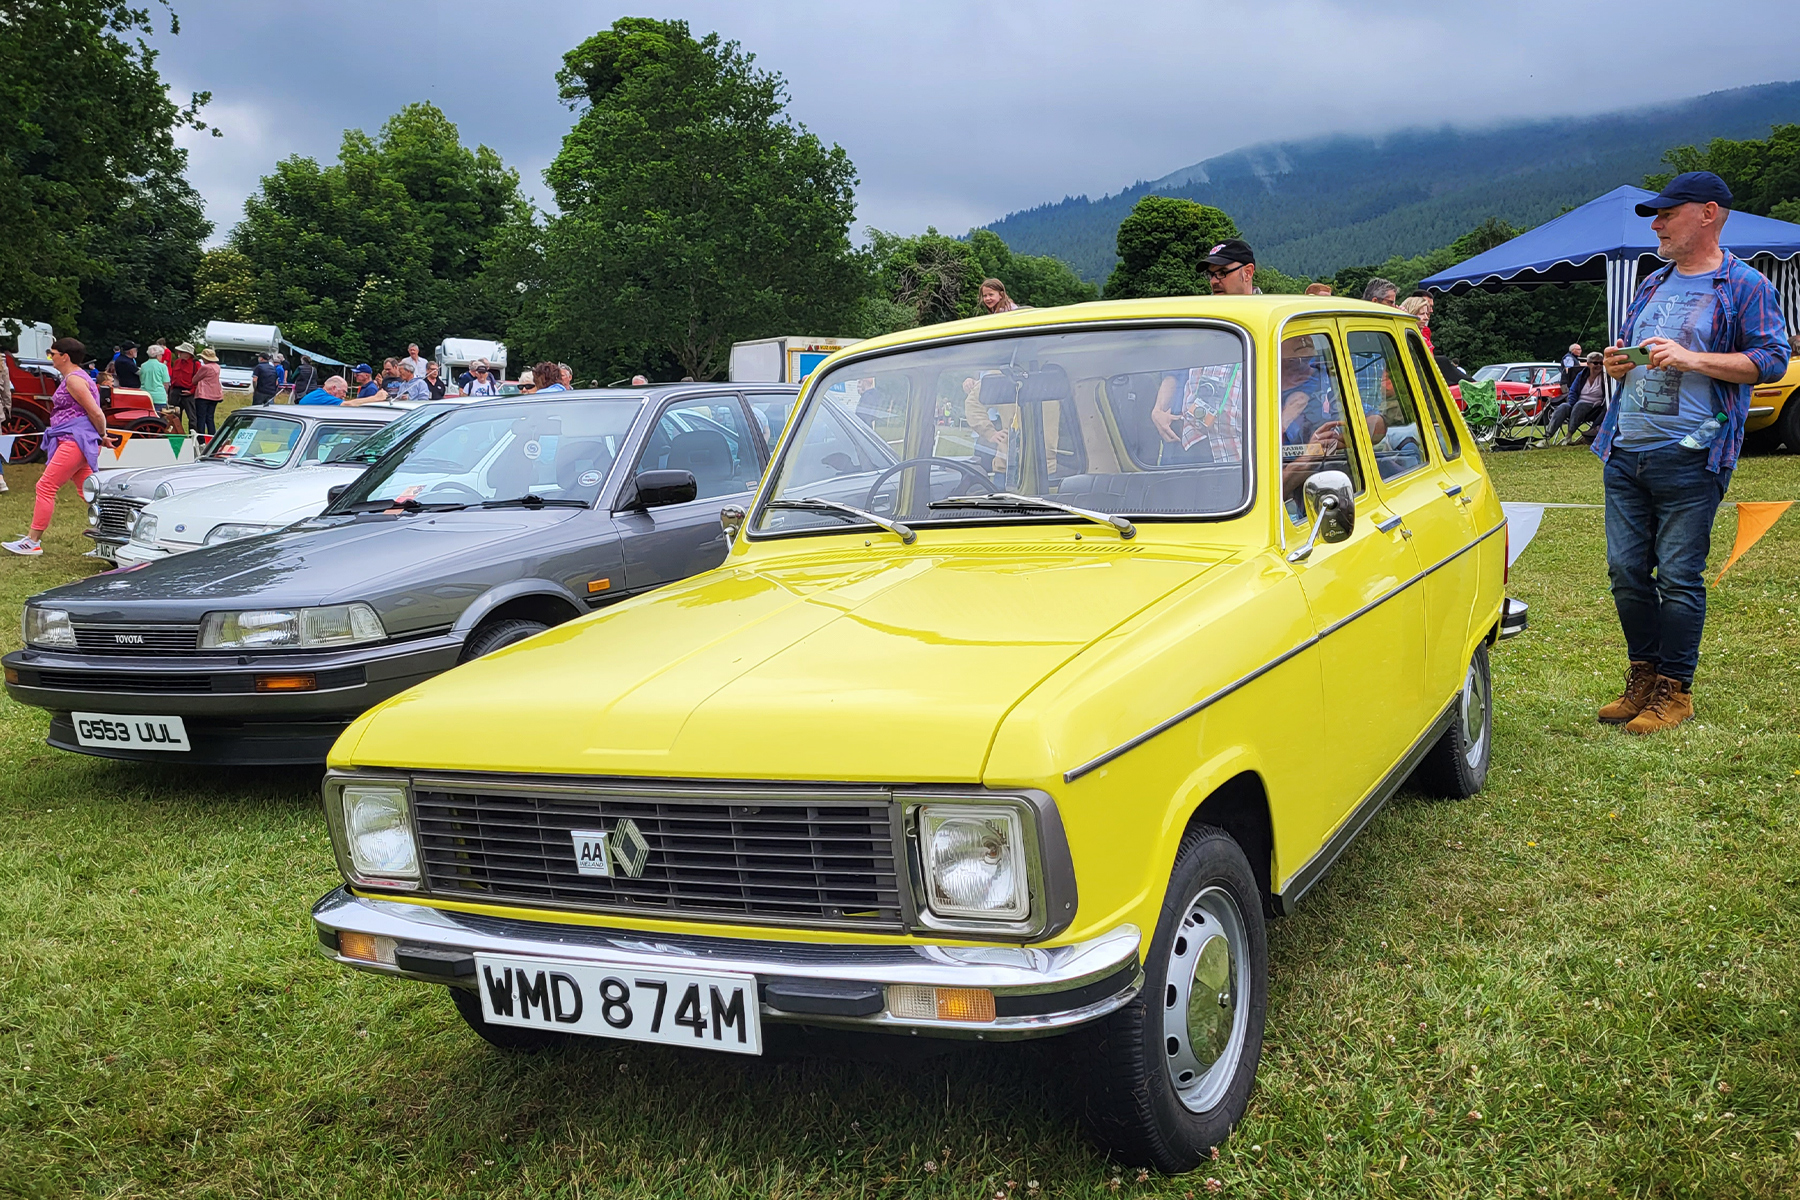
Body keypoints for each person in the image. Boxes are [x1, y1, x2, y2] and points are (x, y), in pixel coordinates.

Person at [1592, 170, 1790, 733]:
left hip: (1692, 453)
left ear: (1707, 214)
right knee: (1626, 572)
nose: (1656, 224)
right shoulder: (1652, 283)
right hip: (1625, 446)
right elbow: (1638, 357)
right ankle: (1644, 679)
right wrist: (1617, 362)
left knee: (1679, 575)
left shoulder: (1746, 285)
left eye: (1666, 214)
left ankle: (1675, 692)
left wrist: (1693, 358)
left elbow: (1771, 360)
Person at [4, 337, 114, 555]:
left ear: (65, 356)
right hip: (74, 439)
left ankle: (32, 541)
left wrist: (102, 434)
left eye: (51, 354)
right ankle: (114, 536)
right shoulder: (77, 378)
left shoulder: (74, 380)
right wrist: (99, 435)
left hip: (74, 440)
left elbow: (95, 412)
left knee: (45, 486)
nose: (50, 358)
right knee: (90, 493)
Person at [1541, 351, 1608, 445]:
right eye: (1595, 363)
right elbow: (1572, 391)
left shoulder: (1606, 377)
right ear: (1588, 364)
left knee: (1580, 405)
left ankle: (1569, 436)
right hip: (1577, 405)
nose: (1599, 365)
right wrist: (1571, 405)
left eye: (1601, 363)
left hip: (1595, 408)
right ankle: (1547, 438)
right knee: (1563, 407)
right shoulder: (1582, 375)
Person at [191, 347, 223, 436]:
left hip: (203, 394)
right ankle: (211, 436)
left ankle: (201, 437)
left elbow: (195, 380)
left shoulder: (205, 367)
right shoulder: (217, 367)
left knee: (201, 417)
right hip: (215, 394)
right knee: (210, 417)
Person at [168, 343, 198, 431]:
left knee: (192, 417)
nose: (179, 353)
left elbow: (198, 380)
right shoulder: (177, 362)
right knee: (174, 416)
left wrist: (192, 391)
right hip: (176, 391)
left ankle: (192, 436)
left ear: (188, 353)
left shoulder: (195, 364)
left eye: (181, 352)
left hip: (188, 392)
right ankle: (176, 434)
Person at [138, 341, 170, 412]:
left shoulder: (143, 366)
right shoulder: (163, 367)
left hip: (145, 396)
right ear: (157, 355)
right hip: (159, 397)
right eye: (161, 355)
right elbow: (166, 384)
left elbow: (141, 380)